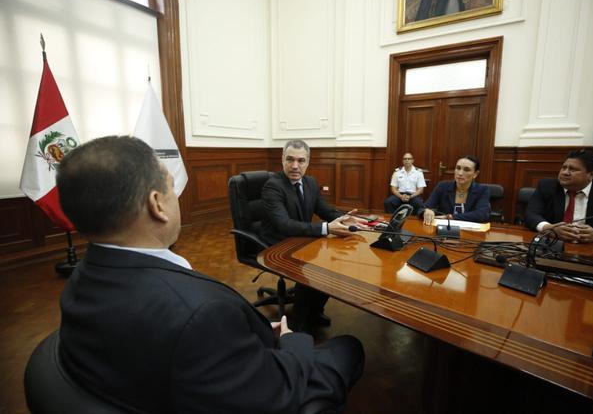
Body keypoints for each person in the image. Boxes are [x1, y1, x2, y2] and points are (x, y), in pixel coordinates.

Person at [56, 136, 364, 414]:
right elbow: (272, 393)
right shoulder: (202, 312)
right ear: (157, 204)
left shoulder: (77, 282)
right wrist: (293, 341)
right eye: (171, 187)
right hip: (269, 382)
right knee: (350, 346)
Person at [260, 139, 367, 329]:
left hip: (301, 238)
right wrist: (326, 228)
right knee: (317, 267)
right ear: (282, 159)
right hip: (276, 243)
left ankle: (314, 311)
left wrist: (344, 219)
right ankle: (296, 324)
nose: (295, 166)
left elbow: (326, 210)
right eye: (290, 159)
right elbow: (284, 225)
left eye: (301, 161)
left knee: (331, 262)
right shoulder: (273, 186)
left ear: (308, 162)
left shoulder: (310, 182)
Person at [524, 149, 593, 242]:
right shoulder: (546, 186)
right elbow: (531, 215)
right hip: (552, 246)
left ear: (591, 174)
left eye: (573, 169)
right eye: (564, 167)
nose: (565, 172)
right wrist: (549, 229)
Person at [419, 155, 491, 225]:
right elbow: (423, 208)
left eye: (466, 170)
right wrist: (426, 211)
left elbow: (482, 215)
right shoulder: (443, 186)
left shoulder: (482, 190)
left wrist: (451, 217)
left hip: (470, 232)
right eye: (458, 168)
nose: (460, 173)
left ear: (475, 174)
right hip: (444, 231)